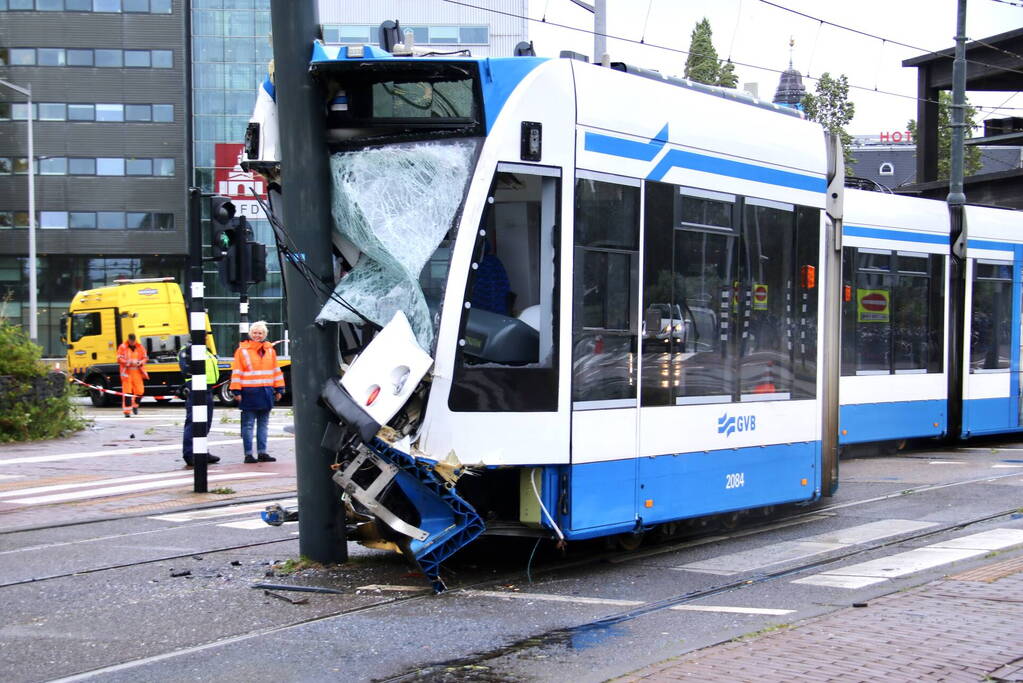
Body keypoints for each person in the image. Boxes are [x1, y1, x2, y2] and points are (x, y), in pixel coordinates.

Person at [229, 321, 285, 463]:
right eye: (255, 333)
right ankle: (248, 454)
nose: (257, 335)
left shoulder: (270, 350)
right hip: (249, 393)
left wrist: (279, 389)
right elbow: (237, 371)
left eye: (260, 333)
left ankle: (262, 452)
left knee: (263, 424)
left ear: (265, 334)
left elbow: (276, 371)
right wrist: (236, 391)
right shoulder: (242, 351)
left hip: (266, 392)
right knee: (248, 425)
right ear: (250, 334)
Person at [178, 336, 221, 467]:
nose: (206, 337)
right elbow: (186, 368)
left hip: (207, 388)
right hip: (197, 387)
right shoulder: (188, 349)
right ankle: (190, 454)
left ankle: (201, 451)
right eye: (204, 335)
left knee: (205, 423)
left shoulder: (205, 350)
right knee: (194, 422)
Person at [116, 333, 148, 417]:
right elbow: (119, 358)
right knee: (127, 392)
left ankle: (135, 406)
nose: (132, 343)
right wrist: (128, 362)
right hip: (127, 373)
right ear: (129, 340)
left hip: (137, 372)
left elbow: (145, 357)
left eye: (133, 341)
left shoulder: (140, 347)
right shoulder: (123, 347)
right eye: (131, 341)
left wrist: (140, 362)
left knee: (140, 391)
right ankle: (127, 412)